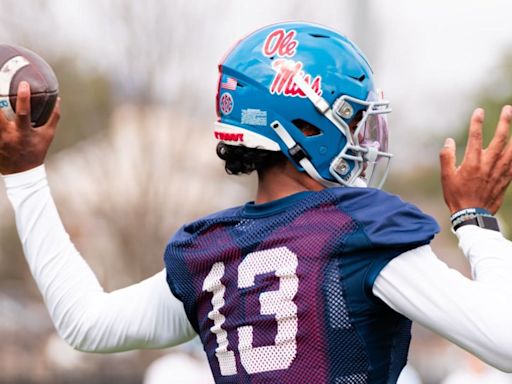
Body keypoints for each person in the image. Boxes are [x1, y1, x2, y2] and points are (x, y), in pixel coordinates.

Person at [1, 22, 512, 384]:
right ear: (305, 126)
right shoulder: (361, 235)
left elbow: (85, 323)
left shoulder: (209, 252)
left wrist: (24, 176)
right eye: (352, 120)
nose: (364, 139)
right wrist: (476, 221)